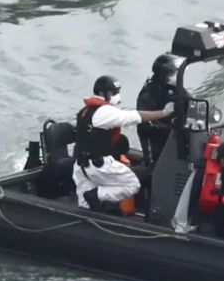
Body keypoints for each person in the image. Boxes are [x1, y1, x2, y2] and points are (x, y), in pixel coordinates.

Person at [74, 75, 174, 211]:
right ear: (103, 94)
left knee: (84, 206)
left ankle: (92, 213)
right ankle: (96, 195)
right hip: (99, 166)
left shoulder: (85, 111)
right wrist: (163, 113)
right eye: (114, 93)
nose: (117, 96)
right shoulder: (104, 112)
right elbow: (134, 117)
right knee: (132, 185)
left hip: (81, 166)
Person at [136, 53, 180, 165]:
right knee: (154, 166)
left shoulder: (175, 89)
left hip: (172, 136)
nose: (177, 75)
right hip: (153, 139)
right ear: (163, 74)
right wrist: (172, 129)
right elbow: (146, 125)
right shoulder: (148, 95)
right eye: (173, 73)